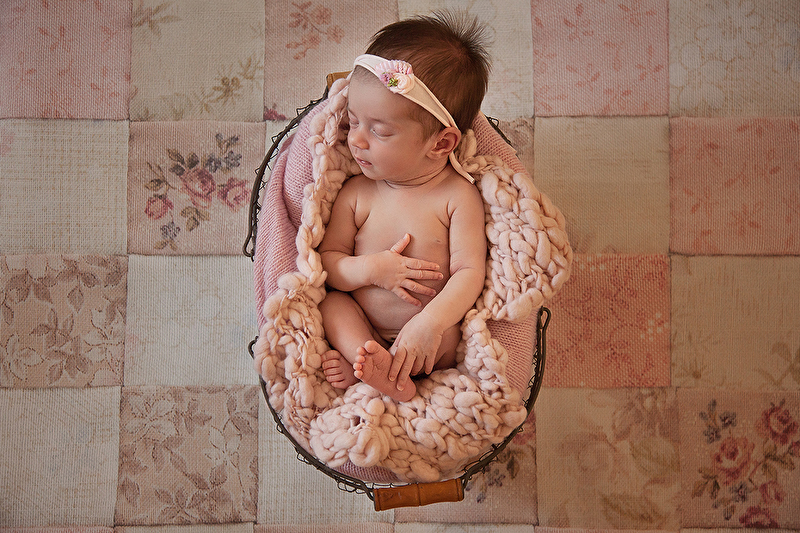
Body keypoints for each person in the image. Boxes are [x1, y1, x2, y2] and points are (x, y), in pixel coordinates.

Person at [318, 12, 491, 402]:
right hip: (365, 323)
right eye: (353, 121)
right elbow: (328, 264)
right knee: (332, 304)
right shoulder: (356, 193)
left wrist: (430, 321)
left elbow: (469, 272)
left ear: (441, 144)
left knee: (451, 333)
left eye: (379, 130)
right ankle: (366, 359)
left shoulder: (457, 196)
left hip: (427, 338)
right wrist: (372, 269)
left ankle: (385, 373)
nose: (356, 140)